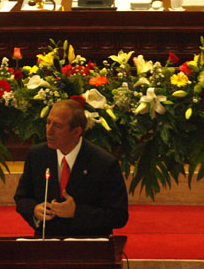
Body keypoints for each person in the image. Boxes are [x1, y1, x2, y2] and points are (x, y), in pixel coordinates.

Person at [14, 99, 129, 237]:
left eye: (57, 126)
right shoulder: (37, 155)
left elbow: (119, 216)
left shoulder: (104, 163)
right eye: (48, 122)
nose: (49, 131)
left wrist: (77, 212)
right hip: (47, 242)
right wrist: (34, 209)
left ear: (76, 132)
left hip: (90, 246)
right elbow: (22, 198)